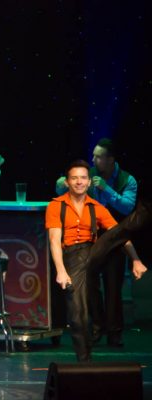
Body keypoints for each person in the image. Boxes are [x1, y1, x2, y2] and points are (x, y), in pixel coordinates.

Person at [46, 159, 146, 362]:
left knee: (116, 231)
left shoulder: (96, 207)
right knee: (78, 311)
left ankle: (144, 212)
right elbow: (55, 241)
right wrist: (61, 270)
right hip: (71, 258)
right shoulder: (56, 206)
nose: (79, 182)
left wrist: (136, 260)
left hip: (94, 252)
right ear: (67, 182)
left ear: (89, 182)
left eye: (83, 178)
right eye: (74, 178)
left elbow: (118, 236)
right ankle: (85, 359)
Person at [55, 138, 137, 346]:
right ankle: (96, 327)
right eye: (93, 155)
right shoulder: (88, 175)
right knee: (90, 286)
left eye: (98, 156)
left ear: (110, 160)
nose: (93, 160)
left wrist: (108, 190)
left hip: (114, 238)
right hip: (89, 238)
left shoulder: (127, 180)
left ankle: (114, 333)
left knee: (113, 287)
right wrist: (61, 185)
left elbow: (127, 208)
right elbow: (66, 191)